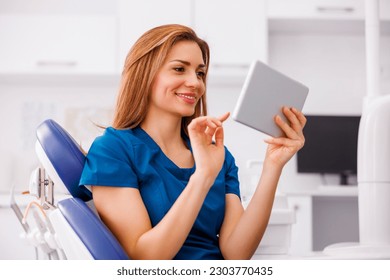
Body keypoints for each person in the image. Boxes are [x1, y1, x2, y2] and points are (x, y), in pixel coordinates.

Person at [79, 24, 306, 260]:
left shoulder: (218, 154)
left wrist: (273, 165)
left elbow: (237, 254)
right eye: (179, 69)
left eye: (199, 73)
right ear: (144, 75)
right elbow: (144, 258)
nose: (195, 83)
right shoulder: (113, 150)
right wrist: (203, 177)